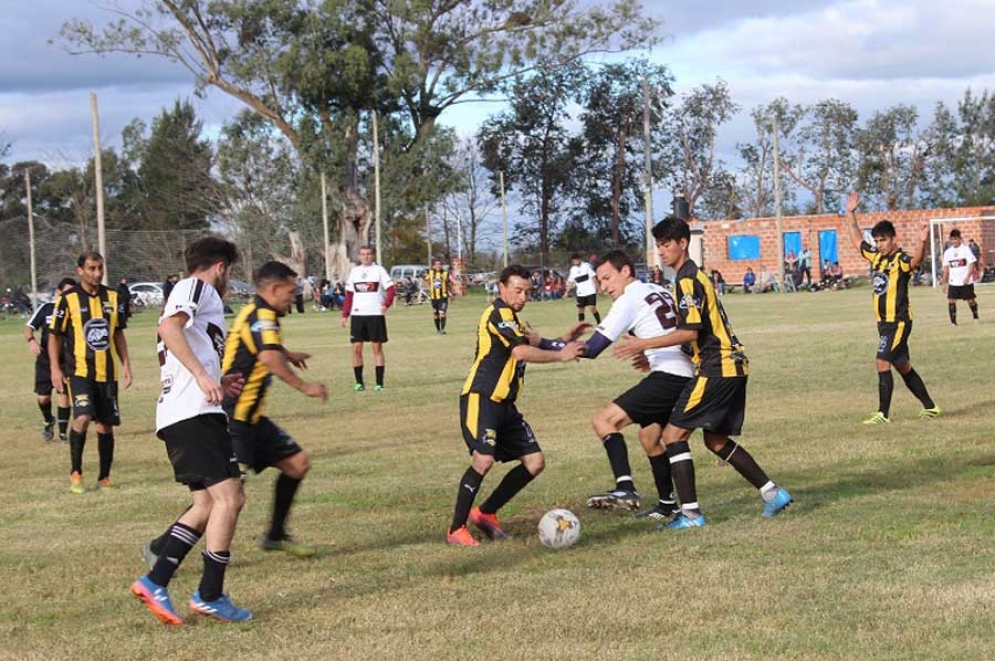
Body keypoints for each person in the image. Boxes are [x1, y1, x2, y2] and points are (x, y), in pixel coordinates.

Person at [614, 216, 793, 530]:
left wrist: (643, 343)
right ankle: (773, 493)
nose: (661, 251)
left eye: (666, 244)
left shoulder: (686, 279)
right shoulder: (692, 276)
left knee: (673, 434)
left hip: (717, 367)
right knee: (716, 440)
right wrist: (653, 354)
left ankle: (692, 514)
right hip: (733, 365)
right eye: (658, 245)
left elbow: (690, 332)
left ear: (683, 244)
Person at [131, 236, 251, 625]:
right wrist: (202, 377)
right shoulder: (196, 287)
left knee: (206, 505)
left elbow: (185, 342)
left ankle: (156, 581)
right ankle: (209, 594)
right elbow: (169, 328)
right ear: (220, 267)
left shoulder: (197, 295)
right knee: (230, 499)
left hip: (184, 412)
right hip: (193, 413)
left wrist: (218, 376)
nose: (228, 278)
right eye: (229, 271)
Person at [446, 264, 586, 546]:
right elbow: (521, 351)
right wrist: (562, 356)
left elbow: (537, 344)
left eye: (527, 291)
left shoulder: (514, 320)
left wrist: (565, 340)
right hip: (482, 398)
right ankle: (456, 530)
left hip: (506, 407)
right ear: (501, 288)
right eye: (517, 290)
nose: (523, 297)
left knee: (534, 462)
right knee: (483, 460)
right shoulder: (497, 314)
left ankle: (485, 513)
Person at [221, 261, 328, 556]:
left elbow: (263, 345)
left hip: (252, 419)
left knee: (297, 464)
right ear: (274, 288)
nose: (294, 296)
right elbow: (267, 357)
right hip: (234, 420)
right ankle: (165, 547)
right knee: (225, 496)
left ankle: (275, 534)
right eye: (291, 291)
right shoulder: (263, 315)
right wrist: (305, 386)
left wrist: (287, 353)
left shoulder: (260, 314)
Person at [582, 250, 695, 521]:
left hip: (670, 377)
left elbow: (592, 348)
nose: (604, 287)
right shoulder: (657, 288)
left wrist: (548, 346)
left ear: (626, 272)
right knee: (649, 438)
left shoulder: (628, 298)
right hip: (687, 373)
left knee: (604, 420)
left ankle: (625, 488)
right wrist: (650, 353)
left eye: (607, 278)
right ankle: (667, 505)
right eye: (599, 282)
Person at [845, 192, 940, 424]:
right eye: (877, 240)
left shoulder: (901, 259)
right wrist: (850, 213)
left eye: (883, 240)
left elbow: (916, 261)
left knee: (881, 360)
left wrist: (922, 241)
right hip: (883, 323)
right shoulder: (876, 257)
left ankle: (882, 414)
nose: (879, 244)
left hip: (898, 322)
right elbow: (857, 239)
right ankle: (930, 407)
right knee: (903, 366)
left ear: (893, 239)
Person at [49, 251, 132, 494]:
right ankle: (76, 472)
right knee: (83, 416)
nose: (97, 273)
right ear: (80, 271)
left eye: (100, 268)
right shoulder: (68, 298)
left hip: (107, 372)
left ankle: (104, 478)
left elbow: (117, 332)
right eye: (92, 268)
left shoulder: (114, 297)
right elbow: (54, 335)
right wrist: (55, 368)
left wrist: (126, 363)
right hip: (79, 371)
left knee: (105, 426)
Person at [25, 278, 75, 442]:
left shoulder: (76, 311)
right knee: (43, 397)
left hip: (66, 360)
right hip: (45, 360)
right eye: (66, 291)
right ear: (59, 292)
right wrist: (31, 340)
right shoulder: (47, 308)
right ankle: (48, 420)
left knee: (64, 394)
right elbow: (29, 327)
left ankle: (62, 434)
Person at [340, 246, 395, 391]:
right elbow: (349, 295)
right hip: (358, 315)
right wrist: (345, 315)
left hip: (375, 314)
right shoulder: (355, 272)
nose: (366, 257)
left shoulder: (379, 270)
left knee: (376, 348)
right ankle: (359, 382)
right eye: (363, 254)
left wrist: (386, 304)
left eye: (368, 254)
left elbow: (391, 288)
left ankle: (379, 383)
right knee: (356, 349)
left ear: (373, 255)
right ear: (359, 256)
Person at [940, 229, 979, 324]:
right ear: (950, 240)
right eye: (952, 239)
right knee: (951, 301)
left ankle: (975, 317)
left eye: (956, 239)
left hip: (966, 281)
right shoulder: (948, 252)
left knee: (971, 301)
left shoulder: (966, 249)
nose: (954, 241)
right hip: (954, 282)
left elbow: (971, 264)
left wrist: (968, 276)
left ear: (960, 239)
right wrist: (944, 282)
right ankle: (953, 323)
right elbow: (946, 269)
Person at [565, 252, 601, 323]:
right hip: (581, 293)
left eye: (577, 260)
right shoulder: (573, 269)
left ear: (580, 259)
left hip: (590, 291)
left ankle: (599, 322)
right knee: (581, 309)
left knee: (592, 308)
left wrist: (598, 288)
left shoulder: (587, 266)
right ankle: (581, 326)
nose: (576, 262)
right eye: (574, 261)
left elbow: (593, 277)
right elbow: (571, 282)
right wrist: (566, 292)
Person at [425, 258, 450, 334]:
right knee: (435, 314)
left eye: (439, 264)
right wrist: (429, 286)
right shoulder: (430, 272)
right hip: (434, 297)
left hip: (443, 297)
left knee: (442, 312)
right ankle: (438, 330)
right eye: (436, 264)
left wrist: (451, 293)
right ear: (434, 265)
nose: (438, 266)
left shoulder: (445, 273)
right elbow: (425, 279)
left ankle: (442, 330)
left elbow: (449, 283)